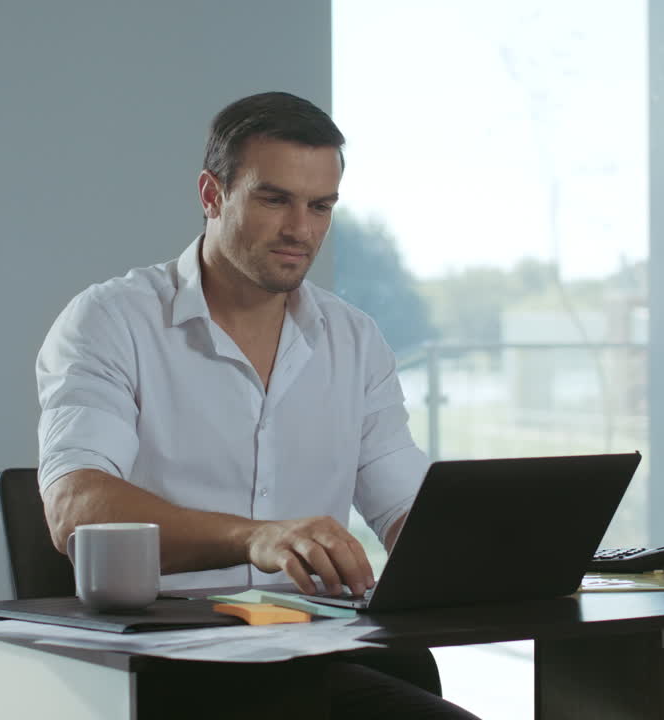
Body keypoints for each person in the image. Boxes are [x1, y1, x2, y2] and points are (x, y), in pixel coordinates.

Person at [35, 91, 479, 719]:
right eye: (274, 200)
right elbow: (76, 507)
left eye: (320, 206)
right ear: (212, 195)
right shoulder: (111, 321)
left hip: (316, 651)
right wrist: (253, 539)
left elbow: (407, 506)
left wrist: (489, 551)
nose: (301, 229)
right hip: (166, 662)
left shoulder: (353, 339)